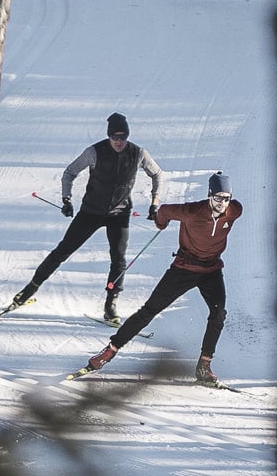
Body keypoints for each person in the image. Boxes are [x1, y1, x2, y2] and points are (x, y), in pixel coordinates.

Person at [81, 172, 242, 384]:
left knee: (218, 313)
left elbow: (229, 211)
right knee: (150, 310)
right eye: (219, 197)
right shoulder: (192, 211)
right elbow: (165, 211)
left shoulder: (235, 210)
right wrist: (160, 221)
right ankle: (109, 351)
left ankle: (204, 365)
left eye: (227, 198)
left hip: (211, 270)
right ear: (210, 195)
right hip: (184, 268)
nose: (223, 203)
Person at [11, 112, 163, 321]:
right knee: (63, 250)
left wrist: (155, 203)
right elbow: (70, 172)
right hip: (91, 211)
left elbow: (157, 174)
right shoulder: (94, 152)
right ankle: (30, 289)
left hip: (119, 213)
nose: (119, 142)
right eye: (114, 137)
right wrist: (66, 199)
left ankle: (111, 303)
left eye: (123, 137)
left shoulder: (138, 153)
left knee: (118, 259)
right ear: (109, 136)